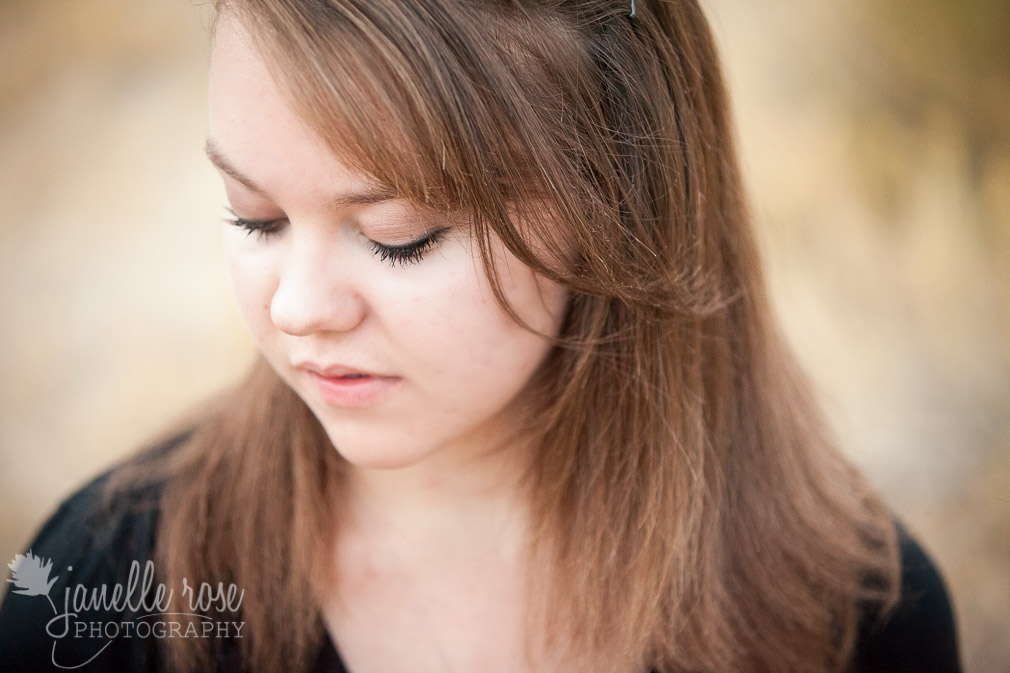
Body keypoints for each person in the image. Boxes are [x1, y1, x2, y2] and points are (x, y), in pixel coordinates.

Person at [0, 1, 962, 672]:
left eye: (398, 235)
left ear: (616, 203)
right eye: (256, 217)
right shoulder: (103, 590)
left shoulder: (858, 614)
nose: (298, 307)